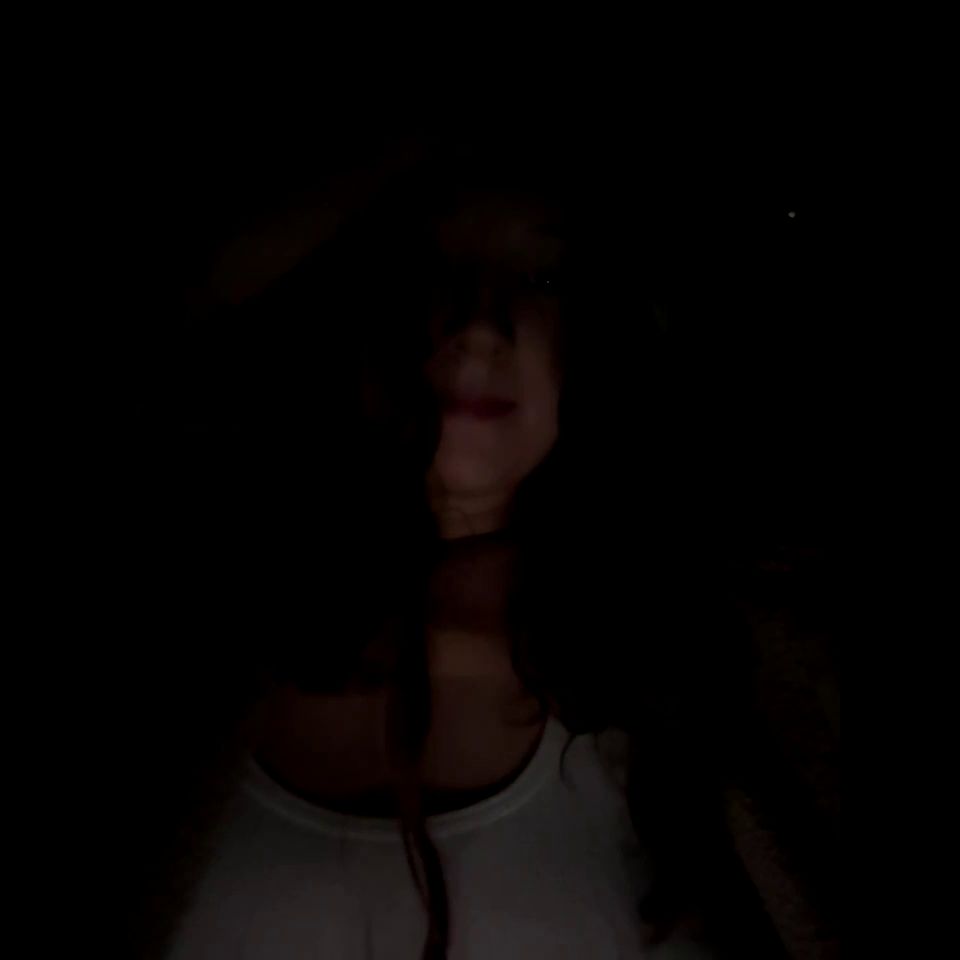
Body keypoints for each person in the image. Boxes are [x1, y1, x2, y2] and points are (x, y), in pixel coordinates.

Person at [158, 135, 786, 959]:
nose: (482, 322)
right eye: (427, 266)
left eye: (544, 279)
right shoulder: (186, 638)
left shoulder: (687, 678)